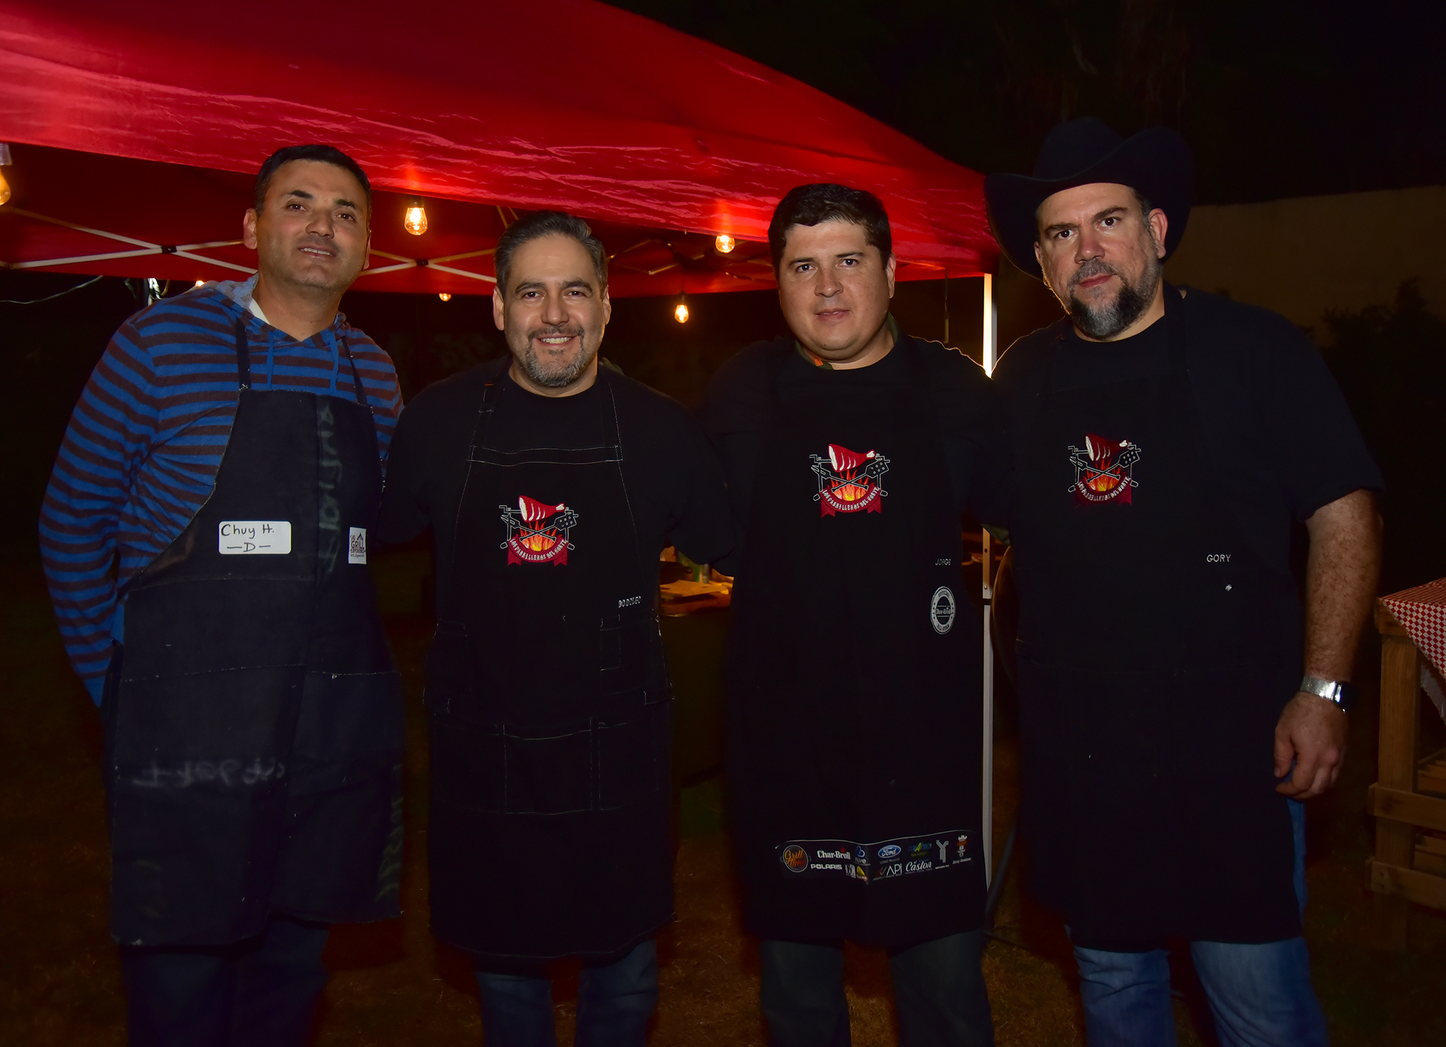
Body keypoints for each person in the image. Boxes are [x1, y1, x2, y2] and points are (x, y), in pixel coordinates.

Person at [982, 117, 1383, 1047]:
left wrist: (1324, 690)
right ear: (1041, 261)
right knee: (1113, 986)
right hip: (1082, 754)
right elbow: (995, 526)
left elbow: (1345, 517)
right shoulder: (1023, 378)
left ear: (1157, 231)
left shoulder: (1257, 350)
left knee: (1257, 1005)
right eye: (1061, 232)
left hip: (1227, 753)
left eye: (1109, 221)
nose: (1088, 250)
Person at [39, 144, 405, 1047]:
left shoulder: (376, 374)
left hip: (319, 738)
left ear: (367, 248)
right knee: (182, 985)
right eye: (298, 203)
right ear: (251, 228)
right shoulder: (158, 345)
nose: (323, 226)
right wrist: (111, 685)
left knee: (289, 980)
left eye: (347, 213)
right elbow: (72, 522)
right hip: (183, 732)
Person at [377, 211, 735, 1046]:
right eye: (531, 292)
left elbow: (734, 547)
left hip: (618, 749)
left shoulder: (662, 429)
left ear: (606, 305)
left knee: (627, 973)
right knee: (506, 972)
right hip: (486, 748)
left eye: (574, 291)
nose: (554, 315)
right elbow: (376, 537)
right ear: (498, 307)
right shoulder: (436, 421)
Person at [700, 184, 997, 1047]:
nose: (827, 287)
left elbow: (1037, 520)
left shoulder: (956, 390)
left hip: (922, 744)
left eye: (848, 261)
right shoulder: (741, 393)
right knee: (797, 997)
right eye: (803, 267)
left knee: (945, 990)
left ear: (892, 271)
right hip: (787, 745)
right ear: (777, 282)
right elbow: (705, 526)